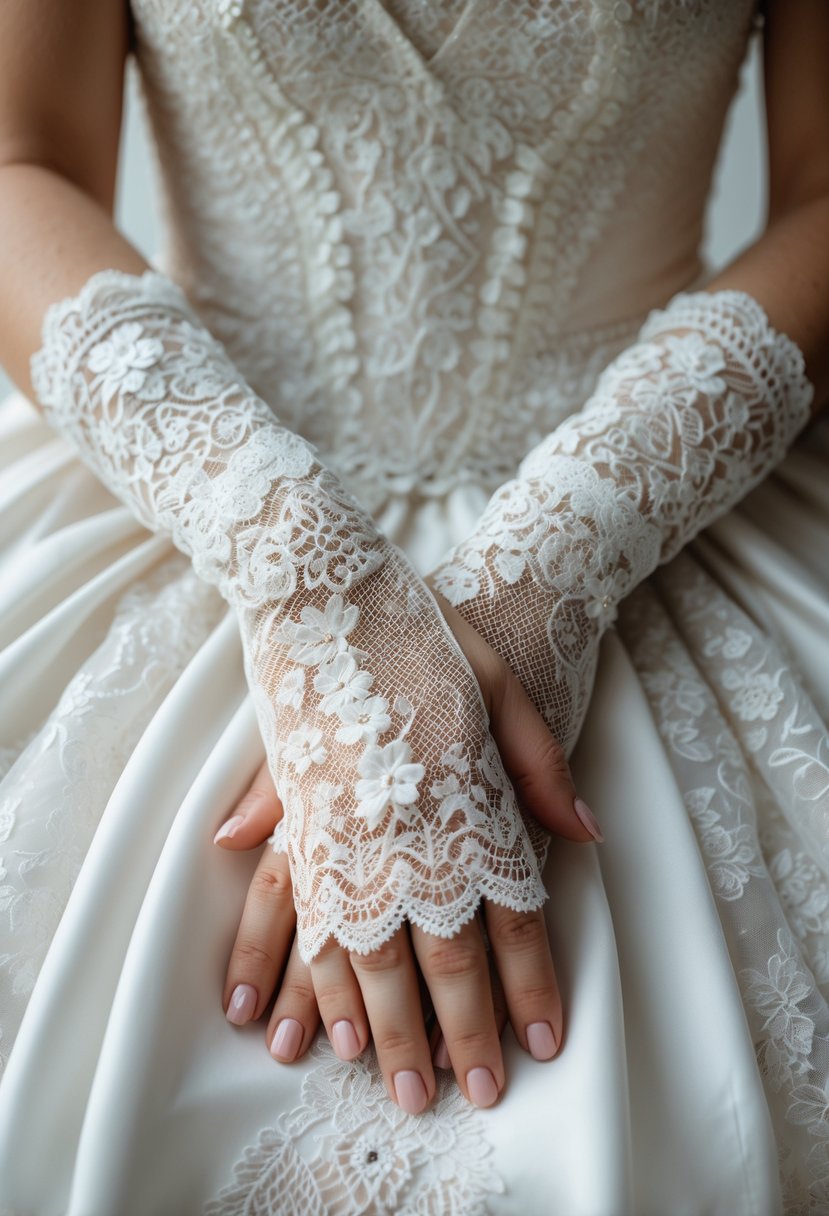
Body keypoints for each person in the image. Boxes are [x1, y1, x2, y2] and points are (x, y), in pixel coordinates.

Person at [0, 0, 827, 1212]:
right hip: (188, 473)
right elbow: (17, 158)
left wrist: (556, 558)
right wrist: (306, 567)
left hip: (653, 492)